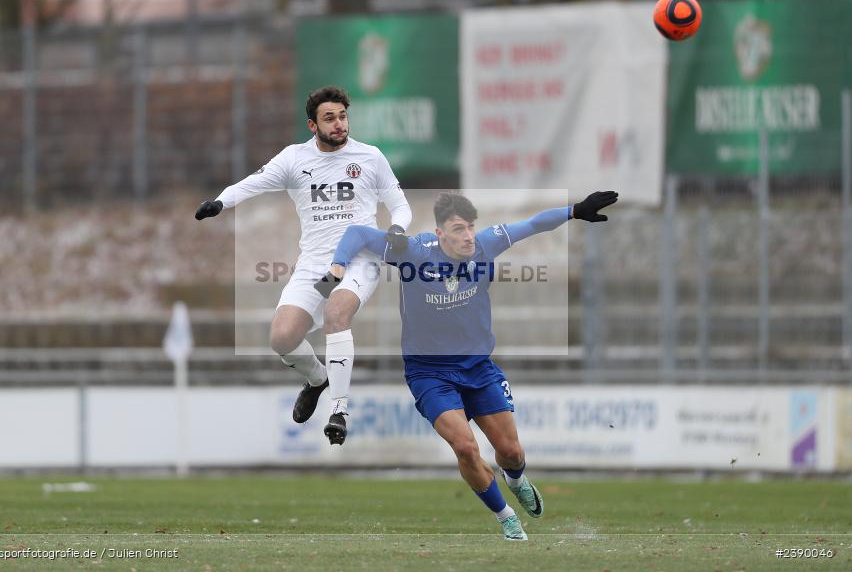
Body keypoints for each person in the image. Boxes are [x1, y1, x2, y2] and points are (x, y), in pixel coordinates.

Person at [315, 190, 617, 540]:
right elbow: (357, 234)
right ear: (440, 234)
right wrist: (337, 264)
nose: (468, 236)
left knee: (510, 452)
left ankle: (516, 479)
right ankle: (506, 519)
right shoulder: (412, 252)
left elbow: (533, 224)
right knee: (465, 448)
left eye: (471, 227)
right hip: (428, 373)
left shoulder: (486, 245)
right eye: (458, 229)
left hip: (478, 367)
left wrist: (575, 210)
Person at [195, 86, 412, 444]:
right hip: (314, 262)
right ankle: (318, 379)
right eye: (330, 118)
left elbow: (400, 205)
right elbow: (253, 183)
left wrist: (397, 230)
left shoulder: (370, 157)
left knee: (337, 313)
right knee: (282, 337)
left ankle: (339, 409)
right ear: (313, 124)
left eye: (343, 116)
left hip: (360, 260)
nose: (339, 124)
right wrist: (220, 202)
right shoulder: (294, 159)